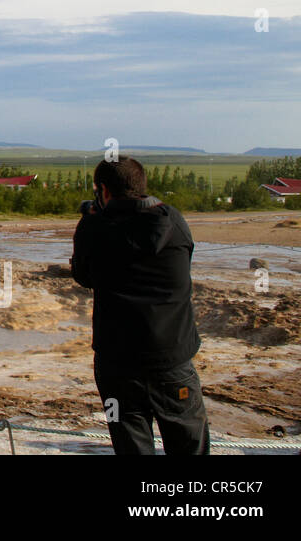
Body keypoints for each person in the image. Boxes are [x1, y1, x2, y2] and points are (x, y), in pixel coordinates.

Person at [71, 156, 209, 455]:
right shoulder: (174, 221)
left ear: (104, 191)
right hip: (172, 359)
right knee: (189, 445)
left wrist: (91, 221)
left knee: (129, 444)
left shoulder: (93, 229)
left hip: (114, 364)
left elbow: (82, 277)